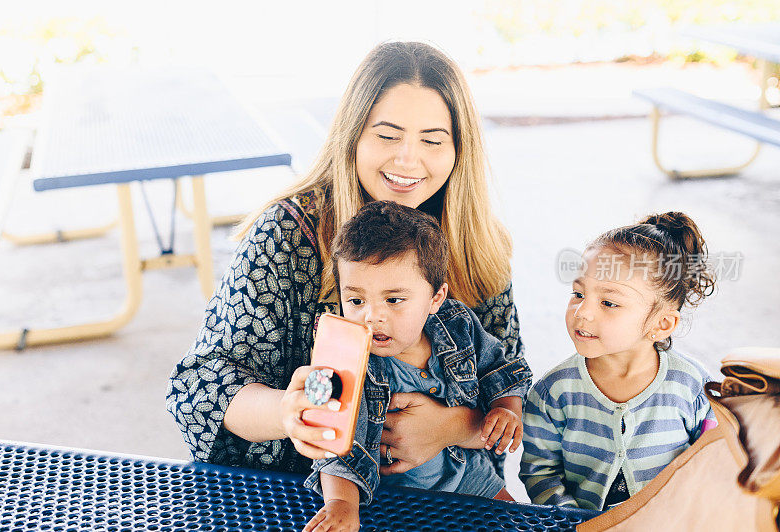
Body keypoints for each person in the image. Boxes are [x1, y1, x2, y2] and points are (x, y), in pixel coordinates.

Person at [166, 41, 531, 477]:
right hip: (294, 496)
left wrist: (453, 426)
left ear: (458, 149)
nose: (407, 159)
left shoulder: (478, 244)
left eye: (432, 140)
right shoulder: (284, 233)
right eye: (387, 135)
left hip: (445, 497)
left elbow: (510, 383)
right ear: (353, 135)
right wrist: (287, 411)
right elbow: (200, 387)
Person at [303, 201, 525, 532]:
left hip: (471, 477)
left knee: (518, 523)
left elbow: (498, 370)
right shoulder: (348, 358)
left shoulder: (458, 325)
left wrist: (507, 410)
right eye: (356, 300)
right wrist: (341, 504)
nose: (372, 315)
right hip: (390, 499)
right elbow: (334, 443)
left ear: (436, 299)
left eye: (393, 300)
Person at [519, 212, 718, 511]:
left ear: (662, 324)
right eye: (578, 294)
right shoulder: (553, 392)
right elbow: (540, 472)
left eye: (609, 302)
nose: (582, 312)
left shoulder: (695, 389)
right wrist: (580, 523)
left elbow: (711, 462)